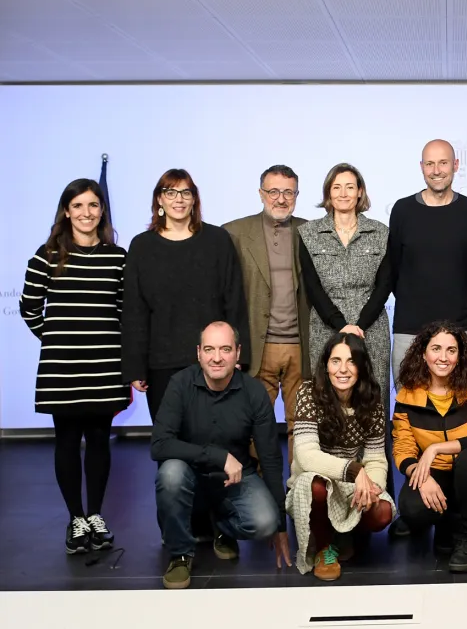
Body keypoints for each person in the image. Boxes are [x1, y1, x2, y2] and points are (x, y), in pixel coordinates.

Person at [358, 139, 467, 537]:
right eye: (429, 164)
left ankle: (452, 503)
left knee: (460, 414)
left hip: (459, 330)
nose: (436, 170)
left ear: (455, 165)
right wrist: (364, 318)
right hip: (410, 328)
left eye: (443, 163)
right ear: (421, 167)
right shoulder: (403, 210)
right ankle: (410, 503)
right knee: (410, 418)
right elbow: (391, 270)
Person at [19, 178, 129, 554]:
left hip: (104, 368)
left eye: (93, 205)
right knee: (67, 442)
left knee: (99, 440)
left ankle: (96, 515)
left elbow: (122, 312)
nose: (86, 213)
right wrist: (55, 341)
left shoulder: (118, 257)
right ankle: (76, 519)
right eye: (78, 206)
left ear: (102, 211)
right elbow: (29, 308)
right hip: (62, 369)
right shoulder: (46, 255)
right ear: (66, 211)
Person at [152, 322, 290, 590]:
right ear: (199, 353)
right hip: (189, 475)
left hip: (236, 480)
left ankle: (222, 529)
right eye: (209, 349)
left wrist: (281, 525)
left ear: (238, 353)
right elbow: (159, 445)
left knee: (265, 522)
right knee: (170, 473)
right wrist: (219, 457)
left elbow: (271, 459)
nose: (217, 357)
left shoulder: (253, 392)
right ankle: (180, 554)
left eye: (225, 349)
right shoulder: (180, 385)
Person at [122, 169, 250, 422]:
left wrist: (237, 354)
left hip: (212, 361)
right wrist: (135, 367)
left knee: (215, 441)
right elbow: (134, 311)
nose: (178, 199)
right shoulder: (142, 246)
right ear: (159, 199)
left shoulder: (218, 240)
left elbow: (234, 301)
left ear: (194, 199)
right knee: (169, 443)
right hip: (160, 365)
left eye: (185, 192)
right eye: (170, 192)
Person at [297, 163, 391, 479]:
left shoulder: (380, 232)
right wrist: (341, 325)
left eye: (350, 186)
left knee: (371, 404)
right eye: (336, 187)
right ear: (328, 193)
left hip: (372, 329)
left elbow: (384, 284)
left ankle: (378, 488)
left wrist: (360, 324)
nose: (343, 193)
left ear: (360, 192)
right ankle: (326, 483)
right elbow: (312, 287)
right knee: (328, 403)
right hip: (325, 329)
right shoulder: (308, 233)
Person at [392, 321, 467, 573]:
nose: (443, 357)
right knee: (411, 509)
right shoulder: (407, 396)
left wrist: (435, 449)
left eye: (451, 350)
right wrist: (420, 478)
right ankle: (445, 521)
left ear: (460, 355)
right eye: (436, 349)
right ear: (423, 353)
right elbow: (402, 450)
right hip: (439, 475)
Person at [223, 165, 312, 467]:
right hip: (257, 346)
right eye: (273, 191)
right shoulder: (234, 233)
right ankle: (260, 490)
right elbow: (225, 294)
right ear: (261, 193)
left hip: (301, 346)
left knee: (302, 426)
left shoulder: (312, 232)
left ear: (297, 195)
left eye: (288, 192)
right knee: (253, 427)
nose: (281, 198)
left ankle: (299, 488)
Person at [286, 332, 393, 580]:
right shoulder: (308, 392)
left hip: (348, 483)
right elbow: (306, 456)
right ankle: (324, 548)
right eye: (336, 361)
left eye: (351, 361)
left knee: (383, 513)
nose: (342, 369)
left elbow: (376, 457)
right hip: (314, 480)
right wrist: (356, 471)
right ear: (326, 364)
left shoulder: (372, 398)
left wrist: (372, 487)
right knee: (317, 486)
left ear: (362, 366)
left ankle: (345, 534)